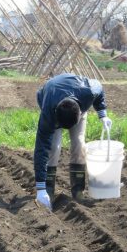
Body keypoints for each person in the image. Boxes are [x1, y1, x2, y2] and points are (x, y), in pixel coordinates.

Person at [34, 73, 112, 210]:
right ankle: (48, 189)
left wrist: (102, 114)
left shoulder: (89, 91)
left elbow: (99, 88)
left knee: (79, 144)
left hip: (77, 97)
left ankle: (78, 190)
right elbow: (41, 148)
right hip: (51, 99)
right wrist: (40, 188)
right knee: (53, 147)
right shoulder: (49, 113)